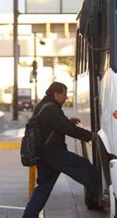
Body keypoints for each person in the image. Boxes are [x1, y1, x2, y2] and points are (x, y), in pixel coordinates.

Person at [23, 82, 99, 218]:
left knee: (43, 188)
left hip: (43, 155)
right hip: (54, 155)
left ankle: (29, 215)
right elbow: (68, 129)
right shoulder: (52, 109)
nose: (66, 98)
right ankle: (101, 196)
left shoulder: (43, 106)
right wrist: (91, 136)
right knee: (85, 168)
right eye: (64, 95)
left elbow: (53, 125)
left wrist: (67, 121)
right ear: (56, 94)